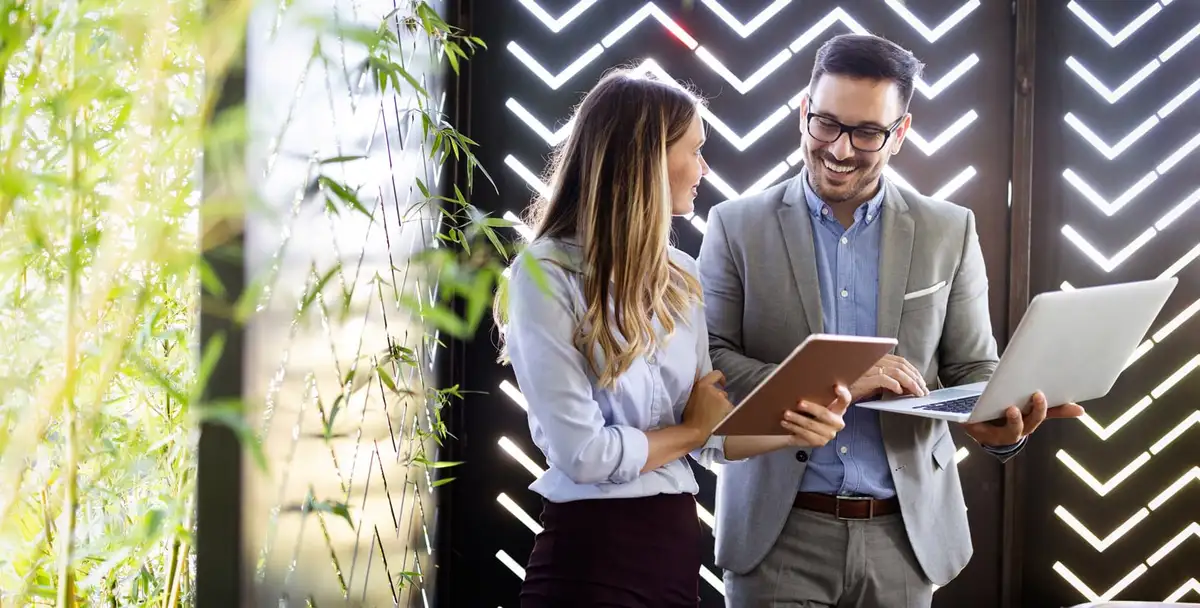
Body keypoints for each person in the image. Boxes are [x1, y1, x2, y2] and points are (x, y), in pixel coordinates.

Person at [697, 34, 1085, 607]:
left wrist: (999, 427)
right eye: (825, 123)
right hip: (777, 536)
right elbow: (710, 360)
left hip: (904, 539)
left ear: (899, 133)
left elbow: (974, 365)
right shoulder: (735, 225)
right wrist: (837, 386)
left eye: (867, 133)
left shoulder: (948, 230)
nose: (839, 149)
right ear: (804, 113)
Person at [494, 69, 854, 608]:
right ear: (646, 159)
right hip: (590, 558)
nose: (704, 168)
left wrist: (798, 428)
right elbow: (584, 454)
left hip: (674, 556)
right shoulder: (544, 276)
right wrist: (690, 432)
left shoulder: (680, 275)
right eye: (695, 150)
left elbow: (712, 436)